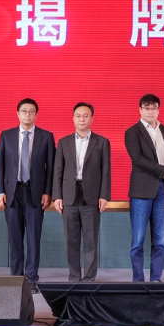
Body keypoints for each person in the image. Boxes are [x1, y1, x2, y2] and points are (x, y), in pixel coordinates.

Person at [0, 98, 55, 284]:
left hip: (35, 194)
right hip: (12, 194)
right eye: (24, 111)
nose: (27, 114)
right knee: (14, 238)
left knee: (33, 239)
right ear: (17, 114)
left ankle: (31, 278)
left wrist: (48, 192)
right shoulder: (7, 135)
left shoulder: (46, 136)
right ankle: (16, 279)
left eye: (31, 111)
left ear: (36, 115)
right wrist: (0, 191)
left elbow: (51, 168)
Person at [52, 102, 111, 282]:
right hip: (69, 195)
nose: (82, 119)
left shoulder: (102, 142)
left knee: (91, 240)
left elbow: (106, 171)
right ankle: (74, 277)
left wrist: (104, 195)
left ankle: (89, 279)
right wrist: (57, 196)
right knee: (71, 240)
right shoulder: (64, 142)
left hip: (91, 196)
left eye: (86, 116)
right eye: (78, 116)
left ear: (92, 118)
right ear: (73, 119)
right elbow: (58, 171)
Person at [124, 93, 164, 282]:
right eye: (146, 108)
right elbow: (138, 159)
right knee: (138, 241)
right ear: (140, 110)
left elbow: (161, 155)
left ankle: (156, 279)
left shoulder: (163, 129)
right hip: (141, 191)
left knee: (160, 240)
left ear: (158, 110)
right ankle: (138, 280)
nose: (150, 111)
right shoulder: (132, 132)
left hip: (161, 190)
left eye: (154, 107)